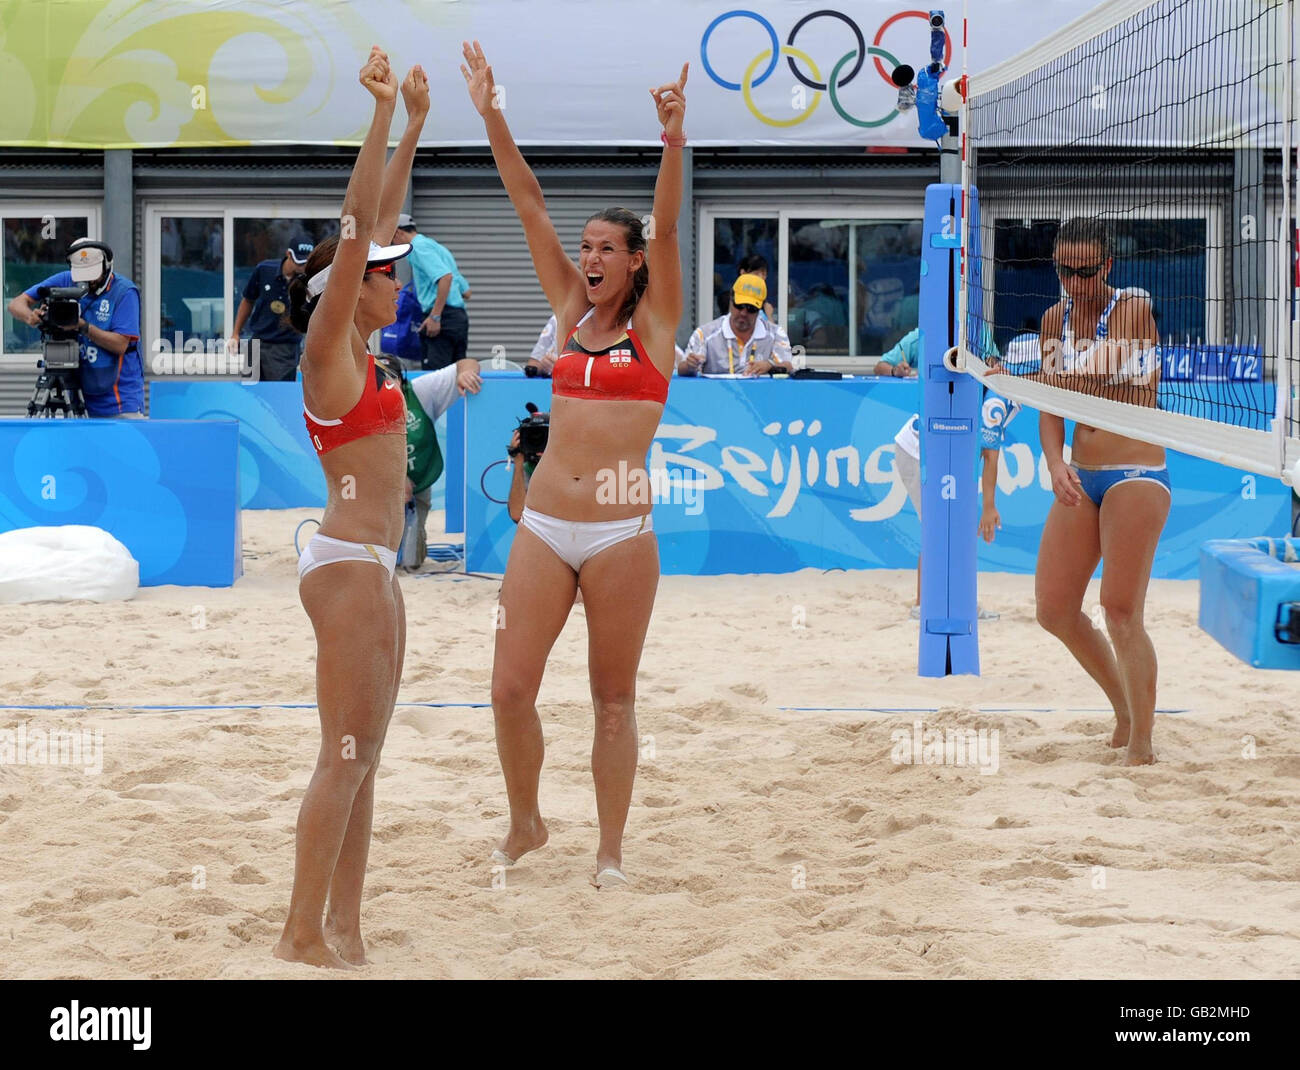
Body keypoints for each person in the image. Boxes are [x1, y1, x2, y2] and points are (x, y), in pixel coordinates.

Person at [463, 39, 686, 888]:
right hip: (547, 524)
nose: (589, 257)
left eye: (606, 248)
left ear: (634, 261)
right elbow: (527, 204)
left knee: (613, 700)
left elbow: (667, 225)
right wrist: (491, 112)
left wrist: (673, 138)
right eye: (585, 246)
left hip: (623, 529)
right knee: (510, 689)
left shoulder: (656, 323)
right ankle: (527, 823)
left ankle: (612, 852)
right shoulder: (566, 310)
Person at [274, 49, 427, 969]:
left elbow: (379, 220)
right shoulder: (330, 349)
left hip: (375, 564)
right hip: (346, 565)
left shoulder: (368, 353)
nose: (396, 278)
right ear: (348, 283)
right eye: (383, 270)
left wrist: (411, 126)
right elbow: (361, 221)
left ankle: (348, 927)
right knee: (344, 755)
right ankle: (300, 930)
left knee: (363, 758)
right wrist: (377, 117)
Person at [988, 216, 1164, 766]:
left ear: (1107, 266)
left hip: (1135, 475)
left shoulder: (1132, 309)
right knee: (1055, 610)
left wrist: (1013, 377)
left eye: (1085, 271)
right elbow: (1054, 405)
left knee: (1119, 611)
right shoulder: (1051, 319)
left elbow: (1086, 381)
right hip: (1082, 475)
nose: (1074, 281)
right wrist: (1052, 458)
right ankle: (1123, 711)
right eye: (1064, 269)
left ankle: (1142, 744)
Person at [8, 238, 143, 417]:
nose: (88, 281)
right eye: (82, 274)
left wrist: (81, 326)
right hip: (76, 395)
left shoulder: (124, 292)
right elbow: (16, 304)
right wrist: (31, 316)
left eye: (93, 274)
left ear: (107, 266)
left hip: (118, 402)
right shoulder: (65, 279)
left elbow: (120, 344)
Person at [380, 353, 483, 570]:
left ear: (402, 379)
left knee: (412, 561)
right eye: (380, 380)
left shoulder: (420, 390)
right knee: (379, 555)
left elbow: (467, 363)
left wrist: (466, 373)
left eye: (393, 378)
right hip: (376, 482)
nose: (387, 384)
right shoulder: (361, 404)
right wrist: (398, 479)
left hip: (419, 480)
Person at [393, 213, 470, 370]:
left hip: (442, 319)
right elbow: (466, 292)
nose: (393, 244)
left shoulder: (417, 248)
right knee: (455, 376)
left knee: (435, 379)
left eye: (392, 239)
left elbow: (445, 278)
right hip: (458, 318)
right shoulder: (437, 247)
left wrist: (435, 316)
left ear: (399, 232)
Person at [230, 241, 314, 381]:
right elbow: (248, 300)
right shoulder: (264, 269)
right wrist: (235, 334)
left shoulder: (308, 280)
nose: (302, 266)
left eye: (305, 263)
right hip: (257, 341)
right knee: (250, 393)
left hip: (285, 348)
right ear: (288, 254)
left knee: (279, 395)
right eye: (299, 262)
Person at [678, 273, 792, 376]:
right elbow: (681, 369)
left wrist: (769, 366)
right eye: (739, 305)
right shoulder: (705, 333)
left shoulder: (776, 334)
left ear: (760, 308)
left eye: (751, 309)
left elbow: (788, 366)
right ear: (731, 300)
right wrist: (690, 365)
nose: (743, 313)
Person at [737, 253, 776, 321]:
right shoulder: (734, 300)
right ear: (743, 273)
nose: (761, 278)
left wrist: (769, 316)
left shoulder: (765, 305)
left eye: (764, 274)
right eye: (756, 273)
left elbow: (771, 330)